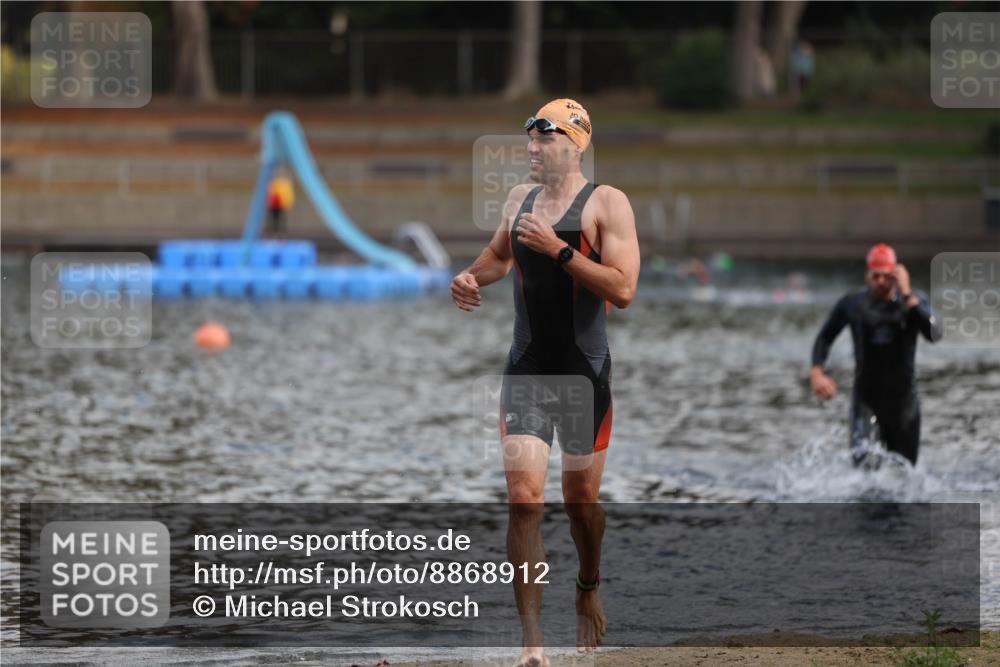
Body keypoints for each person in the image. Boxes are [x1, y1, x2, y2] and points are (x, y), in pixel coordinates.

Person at [450, 99, 640, 666]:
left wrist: (558, 251)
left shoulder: (607, 203)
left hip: (585, 373)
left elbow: (623, 290)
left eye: (545, 140)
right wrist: (469, 275)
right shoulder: (519, 201)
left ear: (575, 144)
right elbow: (497, 257)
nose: (532, 149)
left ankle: (587, 583)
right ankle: (532, 643)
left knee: (580, 504)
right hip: (528, 368)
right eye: (530, 140)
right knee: (524, 500)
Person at [810, 243, 942, 467]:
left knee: (904, 474)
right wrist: (817, 373)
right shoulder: (853, 304)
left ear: (897, 275)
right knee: (863, 466)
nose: (881, 281)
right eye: (875, 276)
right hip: (866, 401)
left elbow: (935, 333)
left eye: (887, 276)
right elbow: (825, 338)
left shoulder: (912, 302)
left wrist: (908, 296)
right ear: (867, 275)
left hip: (904, 405)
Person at [266, 167, 295, 238]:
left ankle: (279, 232)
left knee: (279, 218)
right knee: (273, 218)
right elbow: (269, 193)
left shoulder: (284, 184)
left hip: (280, 204)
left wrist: (288, 203)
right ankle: (273, 231)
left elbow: (287, 194)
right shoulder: (274, 183)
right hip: (273, 204)